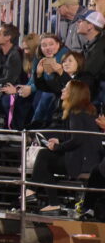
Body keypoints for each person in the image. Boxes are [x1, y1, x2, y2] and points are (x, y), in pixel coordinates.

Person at [30, 80, 100, 211]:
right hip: (90, 160)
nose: (62, 90)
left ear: (74, 93)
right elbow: (77, 137)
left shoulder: (75, 111)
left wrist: (57, 147)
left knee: (44, 156)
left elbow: (77, 139)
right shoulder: (85, 110)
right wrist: (59, 141)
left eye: (66, 88)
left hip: (82, 163)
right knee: (45, 159)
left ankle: (33, 191)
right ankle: (38, 195)